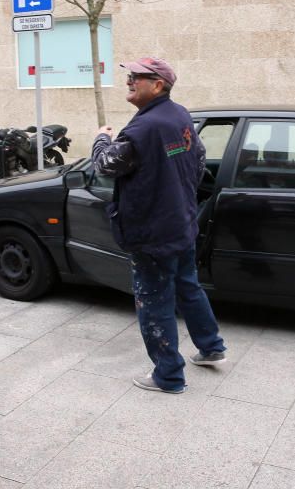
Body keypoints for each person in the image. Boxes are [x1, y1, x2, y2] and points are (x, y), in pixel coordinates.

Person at [90, 57, 226, 394]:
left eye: (137, 77)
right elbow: (198, 159)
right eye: (129, 76)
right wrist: (178, 196)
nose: (129, 81)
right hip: (181, 224)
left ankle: (168, 376)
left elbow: (105, 165)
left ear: (158, 85)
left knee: (153, 302)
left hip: (153, 234)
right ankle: (211, 347)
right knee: (188, 287)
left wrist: (101, 138)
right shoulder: (179, 115)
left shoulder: (144, 128)